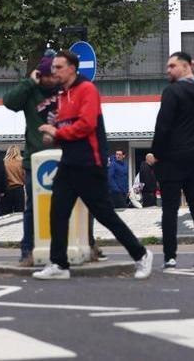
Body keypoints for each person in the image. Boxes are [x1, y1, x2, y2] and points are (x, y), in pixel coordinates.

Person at [32, 49, 152, 280]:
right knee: (57, 212)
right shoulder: (63, 95)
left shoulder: (87, 90)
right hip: (68, 163)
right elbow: (64, 126)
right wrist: (53, 135)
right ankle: (59, 264)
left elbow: (86, 125)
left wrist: (57, 132)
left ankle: (142, 254)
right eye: (53, 67)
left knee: (105, 214)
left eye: (58, 67)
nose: (54, 71)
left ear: (71, 68)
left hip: (90, 163)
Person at [148, 52, 194, 269]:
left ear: (186, 67)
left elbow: (163, 126)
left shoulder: (172, 92)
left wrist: (155, 153)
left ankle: (170, 256)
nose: (168, 70)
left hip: (172, 157)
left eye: (172, 66)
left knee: (169, 209)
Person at [2, 52, 60, 266]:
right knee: (32, 208)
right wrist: (29, 83)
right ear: (40, 75)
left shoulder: (64, 88)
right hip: (35, 158)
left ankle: (79, 244)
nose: (53, 80)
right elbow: (8, 101)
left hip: (63, 156)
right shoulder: (31, 91)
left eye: (55, 75)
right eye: (48, 76)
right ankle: (27, 250)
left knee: (72, 203)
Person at [1, 145, 26, 215]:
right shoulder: (22, 162)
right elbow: (25, 176)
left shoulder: (3, 162)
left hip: (6, 191)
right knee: (19, 214)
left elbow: (1, 177)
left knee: (6, 215)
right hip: (19, 190)